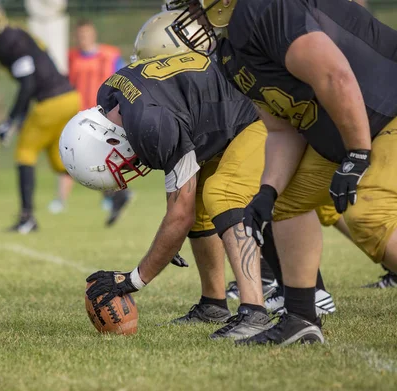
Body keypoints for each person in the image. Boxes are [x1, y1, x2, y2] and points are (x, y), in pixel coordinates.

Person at [168, 0, 397, 345]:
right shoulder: (232, 53)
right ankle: (302, 318)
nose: (188, 12)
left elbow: (334, 73)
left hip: (386, 109)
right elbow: (282, 129)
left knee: (369, 215)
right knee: (286, 203)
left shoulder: (264, 8)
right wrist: (268, 190)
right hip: (354, 123)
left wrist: (358, 152)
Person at [61, 10, 279, 340]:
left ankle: (255, 311)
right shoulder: (111, 95)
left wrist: (132, 280)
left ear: (106, 141)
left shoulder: (149, 125)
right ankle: (213, 303)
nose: (128, 167)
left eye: (116, 165)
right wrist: (170, 230)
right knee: (202, 200)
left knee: (223, 193)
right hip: (229, 104)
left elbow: (179, 215)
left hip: (258, 108)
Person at [0, 0, 80, 234]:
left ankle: (27, 217)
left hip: (51, 102)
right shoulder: (14, 35)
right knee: (61, 162)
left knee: (25, 153)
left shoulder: (7, 42)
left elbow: (28, 84)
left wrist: (11, 120)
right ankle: (115, 191)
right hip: (67, 97)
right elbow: (31, 79)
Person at [67, 18, 132, 225]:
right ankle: (116, 195)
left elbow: (125, 78)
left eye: (86, 34)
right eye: (80, 35)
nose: (83, 38)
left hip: (105, 116)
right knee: (92, 160)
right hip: (82, 118)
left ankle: (117, 194)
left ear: (93, 34)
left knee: (98, 159)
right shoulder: (72, 57)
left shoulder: (109, 55)